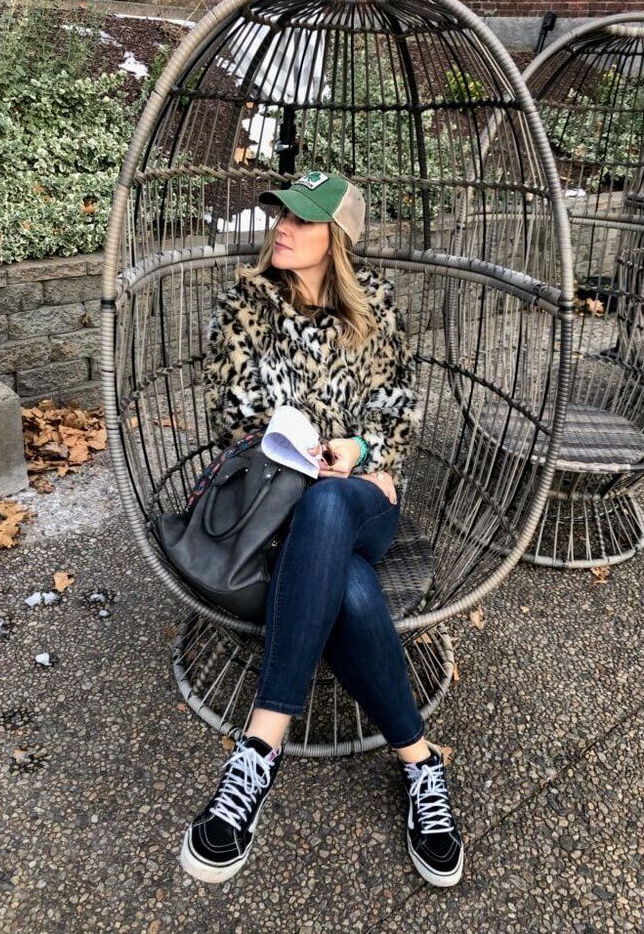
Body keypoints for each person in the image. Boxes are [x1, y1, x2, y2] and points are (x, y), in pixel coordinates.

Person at [179, 171, 464, 888]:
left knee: (336, 506)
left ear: (335, 238)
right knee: (352, 586)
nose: (281, 226)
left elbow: (399, 409)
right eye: (279, 213)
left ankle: (256, 751)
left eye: (301, 220)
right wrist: (300, 448)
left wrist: (359, 453)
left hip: (364, 497)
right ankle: (420, 763)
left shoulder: (378, 306)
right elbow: (234, 410)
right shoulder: (248, 303)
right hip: (278, 504)